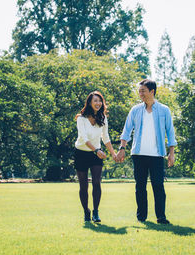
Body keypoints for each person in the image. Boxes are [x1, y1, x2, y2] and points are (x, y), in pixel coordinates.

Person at [116, 79, 177, 224]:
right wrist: (122, 149)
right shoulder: (135, 110)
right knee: (140, 187)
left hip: (157, 155)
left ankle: (161, 217)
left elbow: (170, 132)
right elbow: (126, 131)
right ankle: (141, 217)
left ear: (152, 91)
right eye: (140, 91)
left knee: (158, 186)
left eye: (143, 91)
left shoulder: (164, 110)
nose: (140, 93)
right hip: (138, 155)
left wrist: (171, 153)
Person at [74, 91, 117, 222]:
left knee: (97, 182)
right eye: (95, 101)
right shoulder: (81, 119)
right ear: (89, 103)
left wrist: (113, 153)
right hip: (81, 153)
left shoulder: (103, 118)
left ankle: (96, 212)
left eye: (100, 101)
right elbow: (84, 138)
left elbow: (106, 138)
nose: (98, 103)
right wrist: (97, 150)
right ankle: (86, 211)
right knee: (83, 185)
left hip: (95, 155)